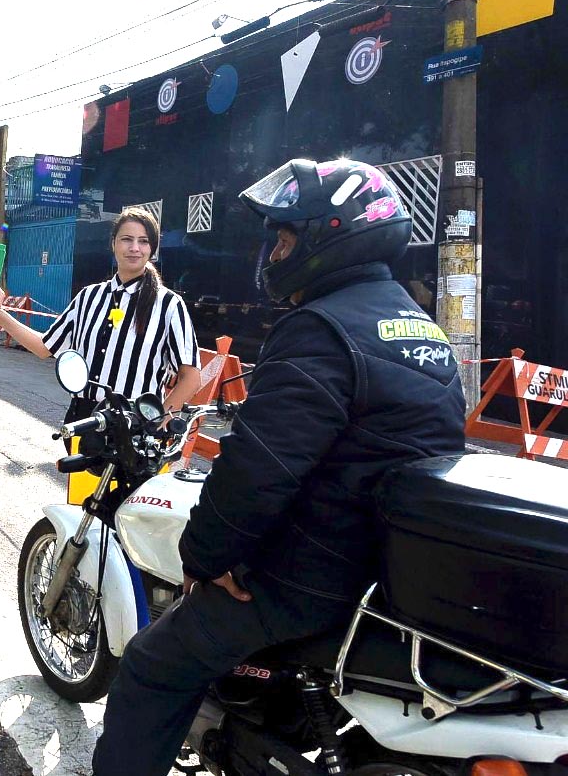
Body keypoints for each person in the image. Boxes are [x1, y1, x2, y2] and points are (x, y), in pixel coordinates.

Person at [92, 159, 466, 775]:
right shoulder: (419, 326)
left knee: (150, 669)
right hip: (390, 570)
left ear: (332, 237)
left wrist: (205, 558)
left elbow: (259, 469)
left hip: (313, 575)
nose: (275, 252)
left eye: (288, 236)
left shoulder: (321, 328)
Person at [0, 206, 202, 427]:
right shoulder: (88, 297)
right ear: (113, 244)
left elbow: (191, 377)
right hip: (83, 420)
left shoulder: (168, 305)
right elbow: (45, 347)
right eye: (127, 239)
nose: (135, 248)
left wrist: (155, 423)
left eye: (144, 241)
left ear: (152, 249)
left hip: (133, 426)